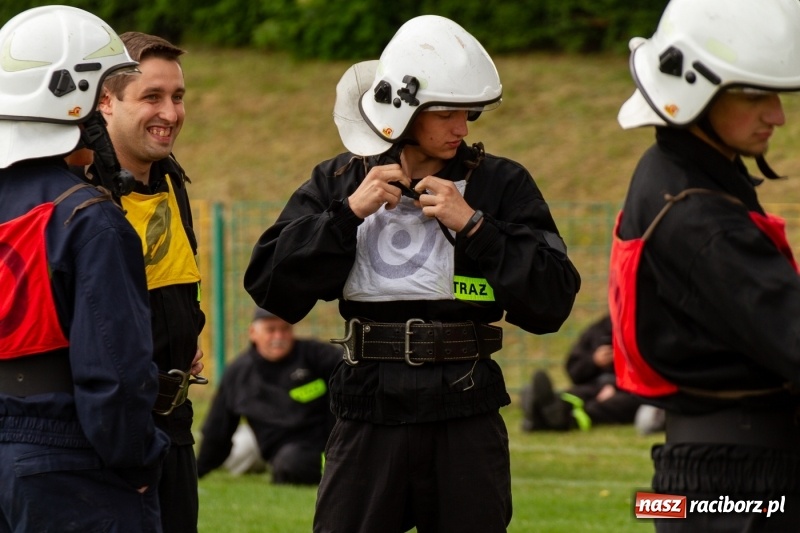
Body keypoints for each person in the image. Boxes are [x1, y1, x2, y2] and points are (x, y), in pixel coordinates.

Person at [244, 15, 581, 532]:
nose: (462, 128)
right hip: (366, 406)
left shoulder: (501, 184)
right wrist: (346, 216)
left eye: (468, 113)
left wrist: (476, 228)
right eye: (446, 113)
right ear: (402, 111)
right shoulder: (340, 180)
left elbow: (553, 300)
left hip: (466, 406)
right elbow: (270, 284)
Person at [611, 0, 800, 530]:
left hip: (706, 478)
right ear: (694, 89)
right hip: (736, 486)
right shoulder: (699, 216)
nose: (777, 115)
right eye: (755, 94)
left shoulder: (681, 170)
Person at [0, 6, 170, 532]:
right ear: (72, 101)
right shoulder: (90, 219)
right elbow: (116, 374)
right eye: (100, 95)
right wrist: (137, 458)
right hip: (66, 453)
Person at [73, 32, 206, 533]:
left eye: (177, 97)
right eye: (152, 96)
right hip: (106, 438)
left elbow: (171, 279)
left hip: (175, 427)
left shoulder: (170, 180)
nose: (170, 113)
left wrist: (184, 332)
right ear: (105, 102)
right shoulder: (78, 195)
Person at [196, 307, 341, 484]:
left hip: (331, 441)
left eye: (285, 329)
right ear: (253, 333)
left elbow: (349, 371)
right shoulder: (238, 374)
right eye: (271, 330)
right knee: (290, 462)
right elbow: (218, 430)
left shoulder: (316, 355)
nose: (278, 337)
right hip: (285, 452)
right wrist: (198, 470)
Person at [521, 313, 645, 432]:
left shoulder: (642, 330)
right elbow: (573, 370)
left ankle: (560, 419)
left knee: (621, 403)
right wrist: (593, 361)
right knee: (573, 395)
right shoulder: (597, 330)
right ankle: (546, 412)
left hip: (628, 390)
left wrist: (613, 385)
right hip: (592, 386)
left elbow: (648, 373)